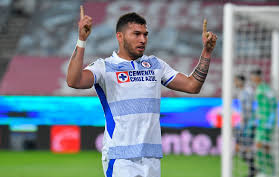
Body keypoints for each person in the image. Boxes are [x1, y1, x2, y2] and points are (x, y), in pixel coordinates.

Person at [67, 5, 217, 177]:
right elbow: (74, 80)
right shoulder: (105, 66)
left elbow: (193, 86)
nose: (143, 39)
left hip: (151, 157)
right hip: (121, 158)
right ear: (120, 37)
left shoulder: (155, 64)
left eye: (145, 34)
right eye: (136, 34)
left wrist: (206, 52)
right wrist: (81, 40)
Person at [250, 69, 277, 177]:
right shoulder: (258, 88)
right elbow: (259, 105)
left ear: (258, 76)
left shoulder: (266, 88)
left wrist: (271, 119)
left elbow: (273, 103)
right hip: (261, 122)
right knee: (261, 147)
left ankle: (269, 171)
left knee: (264, 147)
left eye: (253, 76)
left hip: (266, 123)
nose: (252, 78)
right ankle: (264, 171)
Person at [234, 75, 256, 177]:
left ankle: (254, 170)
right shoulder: (244, 91)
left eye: (236, 81)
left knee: (244, 149)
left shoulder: (246, 92)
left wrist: (244, 125)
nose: (235, 83)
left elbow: (248, 109)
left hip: (249, 124)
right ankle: (253, 170)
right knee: (244, 149)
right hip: (248, 123)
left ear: (240, 81)